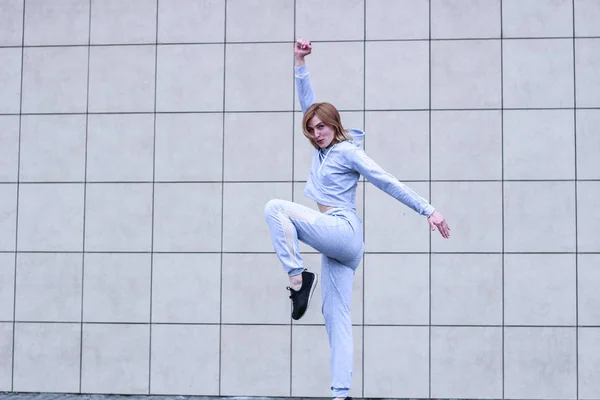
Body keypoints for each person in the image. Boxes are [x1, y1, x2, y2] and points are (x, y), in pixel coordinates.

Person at [264, 38, 451, 400]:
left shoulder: (348, 152)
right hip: (340, 247)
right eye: (312, 129)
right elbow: (308, 104)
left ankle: (298, 278)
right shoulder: (322, 150)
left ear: (335, 125)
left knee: (276, 207)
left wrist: (428, 210)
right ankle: (341, 393)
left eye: (322, 127)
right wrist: (299, 64)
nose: (317, 133)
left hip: (341, 228)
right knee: (336, 320)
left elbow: (385, 180)